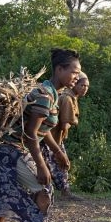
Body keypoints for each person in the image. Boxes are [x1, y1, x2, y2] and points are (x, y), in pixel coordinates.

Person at [0, 48, 81, 222]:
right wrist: (42, 166)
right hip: (9, 151)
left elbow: (43, 131)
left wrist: (58, 152)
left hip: (9, 150)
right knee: (44, 188)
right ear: (60, 69)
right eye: (74, 71)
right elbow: (30, 134)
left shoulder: (52, 93)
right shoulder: (44, 96)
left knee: (9, 190)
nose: (77, 77)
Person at [42, 71, 90, 201]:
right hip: (52, 138)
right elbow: (64, 124)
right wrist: (74, 121)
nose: (85, 89)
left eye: (87, 86)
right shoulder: (68, 98)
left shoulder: (70, 96)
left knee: (50, 164)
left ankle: (53, 191)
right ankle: (64, 192)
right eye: (82, 85)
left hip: (52, 137)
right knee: (61, 164)